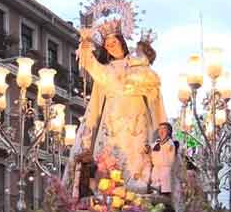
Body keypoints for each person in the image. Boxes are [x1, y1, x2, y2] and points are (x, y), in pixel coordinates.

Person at [66, 24, 167, 196]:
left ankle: (139, 193)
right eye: (107, 44)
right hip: (112, 123)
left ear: (122, 42)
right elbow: (89, 64)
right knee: (111, 164)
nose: (111, 46)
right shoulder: (105, 72)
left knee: (139, 160)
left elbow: (154, 94)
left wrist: (161, 125)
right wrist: (85, 41)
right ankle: (111, 195)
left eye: (114, 41)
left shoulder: (138, 64)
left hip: (137, 119)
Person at [148, 122, 177, 196]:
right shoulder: (156, 143)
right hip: (156, 169)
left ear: (168, 131)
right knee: (154, 189)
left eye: (164, 128)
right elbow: (149, 149)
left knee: (165, 191)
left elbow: (167, 147)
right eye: (160, 129)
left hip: (165, 169)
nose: (161, 131)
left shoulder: (170, 143)